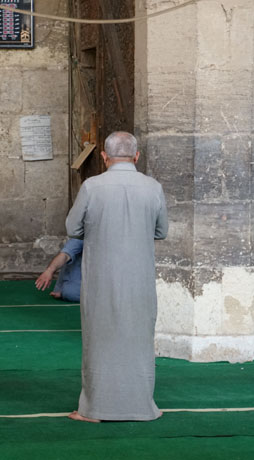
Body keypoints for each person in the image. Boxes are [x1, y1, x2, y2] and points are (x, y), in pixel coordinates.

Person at [65, 131, 168, 423]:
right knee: (138, 340)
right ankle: (142, 406)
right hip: (140, 279)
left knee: (100, 339)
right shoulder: (153, 187)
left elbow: (73, 228)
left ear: (104, 157)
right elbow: (161, 231)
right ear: (136, 156)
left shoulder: (92, 186)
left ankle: (94, 409)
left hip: (102, 279)